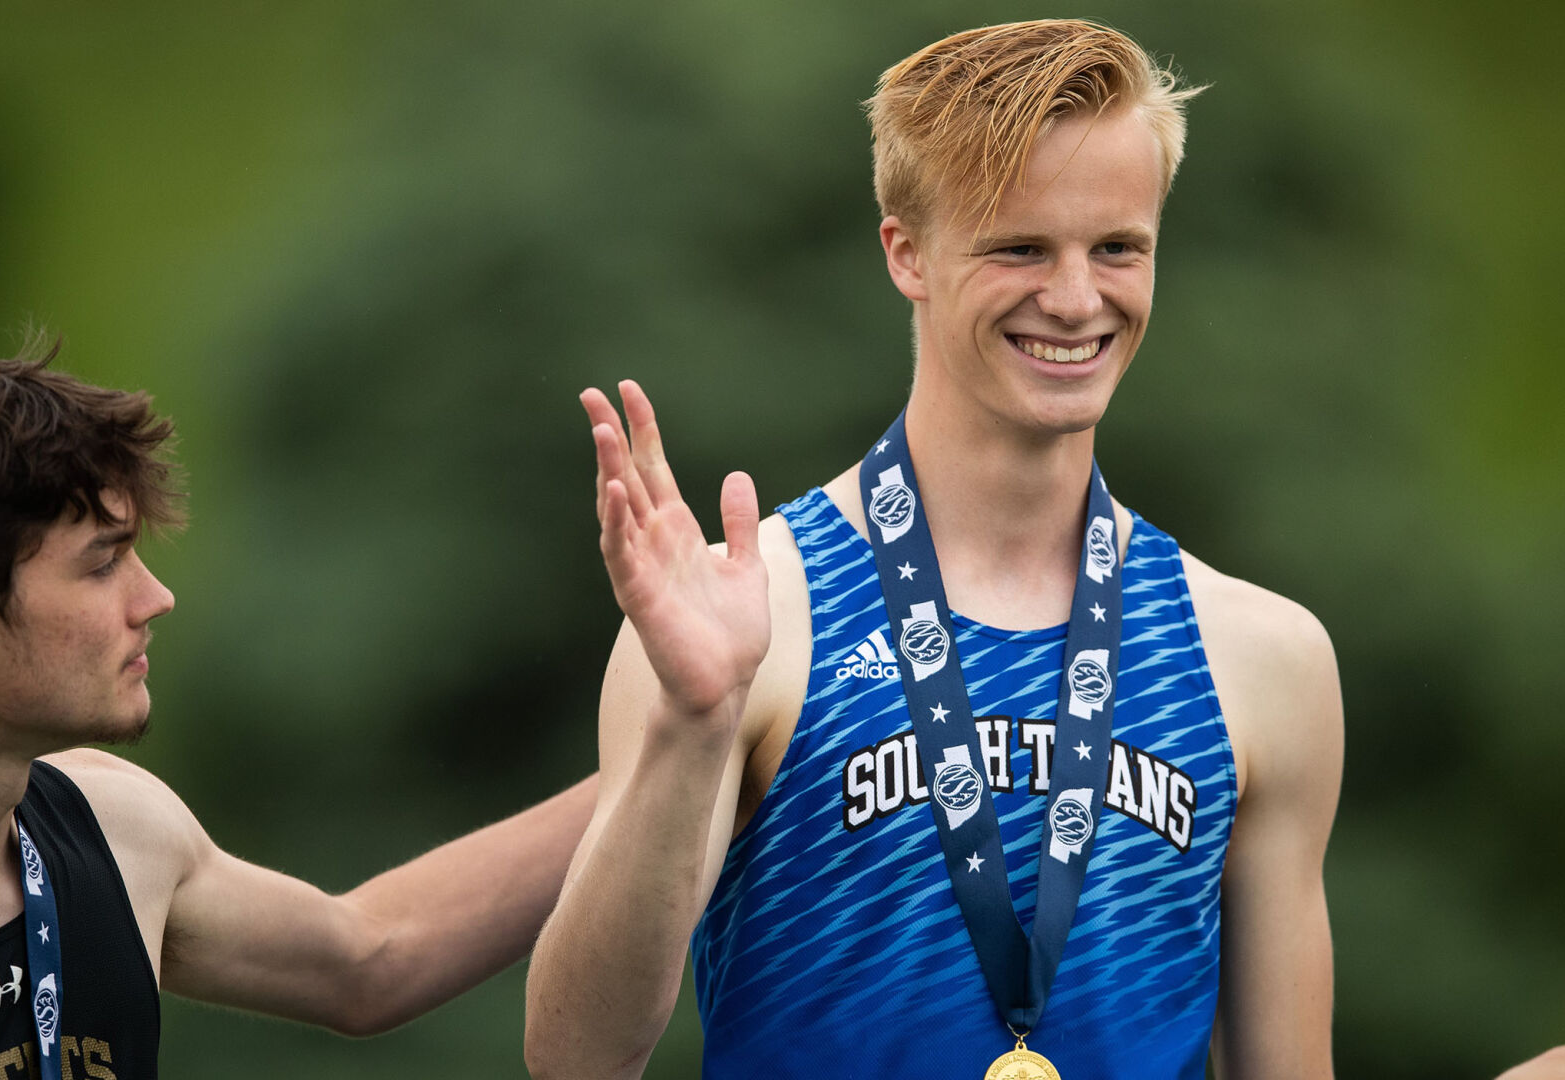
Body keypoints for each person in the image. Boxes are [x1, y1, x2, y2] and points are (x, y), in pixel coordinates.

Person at [525, 20, 1342, 1080]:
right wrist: (693, 721)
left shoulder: (1262, 659)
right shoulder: (752, 620)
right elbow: (575, 1057)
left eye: (1118, 248)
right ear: (906, 252)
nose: (1077, 298)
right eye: (1019, 248)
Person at [0, 341, 595, 1078]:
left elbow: (373, 958)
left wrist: (691, 739)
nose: (154, 599)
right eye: (102, 563)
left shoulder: (116, 827)